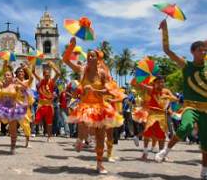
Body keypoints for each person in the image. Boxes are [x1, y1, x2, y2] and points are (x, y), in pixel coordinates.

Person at [155, 19, 207, 179]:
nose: (203, 52)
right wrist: (165, 30)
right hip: (190, 107)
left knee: (206, 143)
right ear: (193, 52)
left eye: (205, 50)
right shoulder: (186, 66)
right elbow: (167, 50)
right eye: (200, 50)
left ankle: (204, 171)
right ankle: (166, 150)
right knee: (186, 126)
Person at [63, 37, 123, 174]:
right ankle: (80, 139)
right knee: (83, 124)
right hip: (85, 105)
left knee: (100, 136)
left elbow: (109, 90)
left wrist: (95, 90)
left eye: (92, 56)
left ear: (98, 59)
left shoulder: (103, 73)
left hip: (100, 106)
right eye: (88, 55)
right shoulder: (82, 70)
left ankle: (99, 163)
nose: (89, 57)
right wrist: (71, 46)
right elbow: (65, 60)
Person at [132, 75, 177, 160]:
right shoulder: (151, 89)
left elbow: (175, 99)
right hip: (152, 114)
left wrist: (167, 97)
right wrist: (138, 76)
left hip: (162, 115)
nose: (161, 84)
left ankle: (161, 154)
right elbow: (136, 84)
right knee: (147, 133)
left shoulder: (166, 91)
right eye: (159, 82)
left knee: (162, 135)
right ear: (154, 83)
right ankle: (145, 153)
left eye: (162, 82)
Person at [0, 65, 28, 154]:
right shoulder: (2, 85)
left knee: (12, 130)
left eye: (8, 75)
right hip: (1, 109)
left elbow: (25, 86)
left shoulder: (15, 86)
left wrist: (19, 82)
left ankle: (12, 147)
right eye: (5, 75)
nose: (6, 76)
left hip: (12, 110)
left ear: (12, 76)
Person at [32, 61, 60, 142]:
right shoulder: (41, 80)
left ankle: (49, 136)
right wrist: (33, 62)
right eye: (46, 74)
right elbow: (33, 72)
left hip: (49, 105)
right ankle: (32, 131)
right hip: (41, 104)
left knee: (49, 122)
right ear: (44, 75)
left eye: (48, 74)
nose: (47, 75)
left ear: (50, 75)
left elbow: (58, 73)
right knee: (36, 119)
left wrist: (53, 65)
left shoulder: (52, 81)